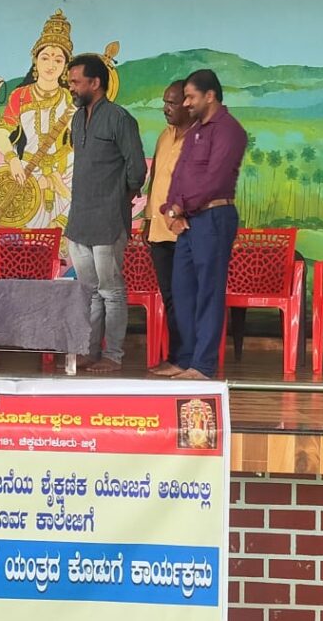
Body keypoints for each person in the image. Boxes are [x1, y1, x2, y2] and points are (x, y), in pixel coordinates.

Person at [163, 69, 248, 380]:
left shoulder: (229, 130)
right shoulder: (196, 130)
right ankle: (184, 359)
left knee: (208, 291)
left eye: (191, 97)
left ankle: (203, 365)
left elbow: (216, 179)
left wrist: (179, 208)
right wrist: (170, 210)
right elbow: (179, 175)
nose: (186, 103)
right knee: (182, 291)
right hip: (187, 219)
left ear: (210, 96)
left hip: (213, 217)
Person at [65, 53, 147, 373]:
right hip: (79, 220)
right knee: (89, 292)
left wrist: (119, 202)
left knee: (110, 291)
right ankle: (90, 351)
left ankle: (113, 355)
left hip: (108, 220)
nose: (71, 87)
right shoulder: (77, 119)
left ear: (95, 83)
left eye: (76, 82)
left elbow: (136, 169)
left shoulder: (119, 118)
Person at [0, 10, 78, 234]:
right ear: (35, 60)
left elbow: (79, 140)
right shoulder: (20, 96)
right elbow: (2, 133)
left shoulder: (71, 99)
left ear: (65, 66)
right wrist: (12, 160)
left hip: (63, 171)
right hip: (26, 168)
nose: (51, 65)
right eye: (45, 57)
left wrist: (57, 180)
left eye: (58, 60)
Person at [145, 81, 195, 377]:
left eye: (172, 103)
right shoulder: (165, 136)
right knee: (171, 297)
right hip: (159, 231)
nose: (166, 108)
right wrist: (148, 219)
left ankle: (185, 360)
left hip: (186, 232)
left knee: (185, 298)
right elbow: (155, 179)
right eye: (164, 102)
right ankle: (178, 357)